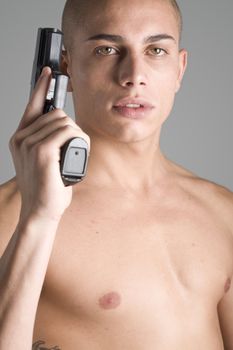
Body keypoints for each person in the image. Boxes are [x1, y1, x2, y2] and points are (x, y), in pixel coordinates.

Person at [0, 0, 232, 349]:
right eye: (106, 49)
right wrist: (39, 216)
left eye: (156, 50)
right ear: (65, 66)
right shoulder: (11, 217)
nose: (133, 75)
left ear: (179, 69)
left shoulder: (224, 211)